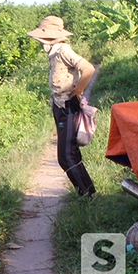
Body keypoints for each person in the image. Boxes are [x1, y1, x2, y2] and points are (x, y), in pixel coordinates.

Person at [28, 16, 97, 197]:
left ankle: (86, 195)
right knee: (69, 153)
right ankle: (87, 192)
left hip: (68, 106)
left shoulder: (63, 50)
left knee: (66, 156)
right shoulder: (53, 53)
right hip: (60, 105)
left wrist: (77, 91)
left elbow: (88, 69)